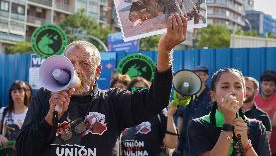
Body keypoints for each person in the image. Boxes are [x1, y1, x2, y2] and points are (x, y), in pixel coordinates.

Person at [16, 13, 188, 156]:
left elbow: (157, 99)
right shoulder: (47, 96)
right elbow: (23, 150)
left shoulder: (113, 101)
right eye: (70, 63)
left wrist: (165, 51)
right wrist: (49, 118)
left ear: (97, 72)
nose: (75, 69)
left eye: (84, 64)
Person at [188, 68, 271, 156]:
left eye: (238, 87)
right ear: (213, 96)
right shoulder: (198, 125)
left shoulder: (256, 127)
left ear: (244, 95)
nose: (232, 91)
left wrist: (245, 144)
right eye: (225, 87)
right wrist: (228, 125)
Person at [120, 77, 178, 156]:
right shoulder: (122, 113)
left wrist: (170, 115)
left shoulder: (159, 112)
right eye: (135, 89)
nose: (140, 92)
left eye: (144, 89)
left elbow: (172, 144)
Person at [173, 66, 211, 156]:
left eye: (200, 74)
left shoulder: (212, 96)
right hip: (186, 143)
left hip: (205, 143)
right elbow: (180, 118)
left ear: (206, 77)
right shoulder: (185, 95)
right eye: (195, 74)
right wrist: (177, 139)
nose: (197, 76)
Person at [0, 80, 31, 150]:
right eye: (14, 92)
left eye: (20, 91)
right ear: (11, 94)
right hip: (5, 152)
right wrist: (0, 137)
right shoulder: (3, 111)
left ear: (25, 93)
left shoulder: (31, 113)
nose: (17, 94)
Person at [254, 70, 276, 156]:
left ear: (275, 86)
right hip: (256, 147)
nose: (268, 87)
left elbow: (274, 122)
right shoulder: (254, 99)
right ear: (260, 84)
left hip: (274, 148)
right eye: (265, 84)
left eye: (271, 85)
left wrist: (255, 122)